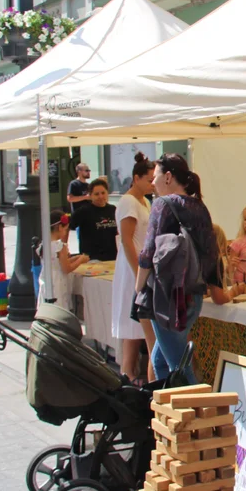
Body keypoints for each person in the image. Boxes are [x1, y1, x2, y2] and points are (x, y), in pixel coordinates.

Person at [135, 154, 219, 383]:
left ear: (169, 177)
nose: (152, 183)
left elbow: (148, 252)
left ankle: (197, 413)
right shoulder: (199, 206)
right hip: (193, 294)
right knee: (162, 361)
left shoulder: (162, 204)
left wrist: (138, 287)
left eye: (156, 177)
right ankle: (169, 411)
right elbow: (212, 252)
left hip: (168, 297)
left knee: (179, 367)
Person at [113, 153, 155, 384]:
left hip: (141, 264)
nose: (152, 184)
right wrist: (137, 270)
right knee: (133, 319)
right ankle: (127, 371)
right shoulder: (128, 202)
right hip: (133, 266)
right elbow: (127, 240)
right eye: (149, 179)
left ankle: (129, 372)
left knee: (138, 322)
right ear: (136, 178)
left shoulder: (145, 201)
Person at [39, 209, 88, 311]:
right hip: (58, 282)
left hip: (47, 279)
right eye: (66, 229)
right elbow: (66, 268)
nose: (66, 232)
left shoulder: (44, 244)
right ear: (60, 227)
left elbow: (57, 262)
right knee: (59, 308)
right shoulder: (60, 246)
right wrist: (81, 261)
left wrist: (74, 258)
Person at [69, 178, 118, 261]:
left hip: (112, 258)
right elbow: (67, 227)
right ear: (90, 195)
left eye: (103, 193)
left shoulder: (113, 209)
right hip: (92, 259)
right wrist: (64, 248)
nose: (100, 196)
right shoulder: (83, 211)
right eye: (96, 194)